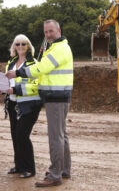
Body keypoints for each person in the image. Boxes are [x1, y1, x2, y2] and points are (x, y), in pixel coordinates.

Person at [6, 19, 73, 187]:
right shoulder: (58, 47)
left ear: (59, 30)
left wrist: (18, 73)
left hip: (55, 97)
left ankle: (55, 174)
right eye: (46, 32)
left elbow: (41, 68)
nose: (48, 34)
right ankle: (64, 169)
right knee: (61, 135)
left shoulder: (59, 48)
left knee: (56, 137)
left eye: (51, 31)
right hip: (57, 96)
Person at [2, 34, 42, 178]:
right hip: (13, 103)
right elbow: (7, 81)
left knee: (22, 135)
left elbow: (37, 86)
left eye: (23, 44)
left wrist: (16, 90)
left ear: (28, 46)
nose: (20, 47)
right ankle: (19, 166)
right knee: (15, 135)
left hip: (30, 105)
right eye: (17, 44)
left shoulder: (34, 64)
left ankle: (30, 168)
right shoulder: (11, 63)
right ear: (14, 46)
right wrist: (0, 87)